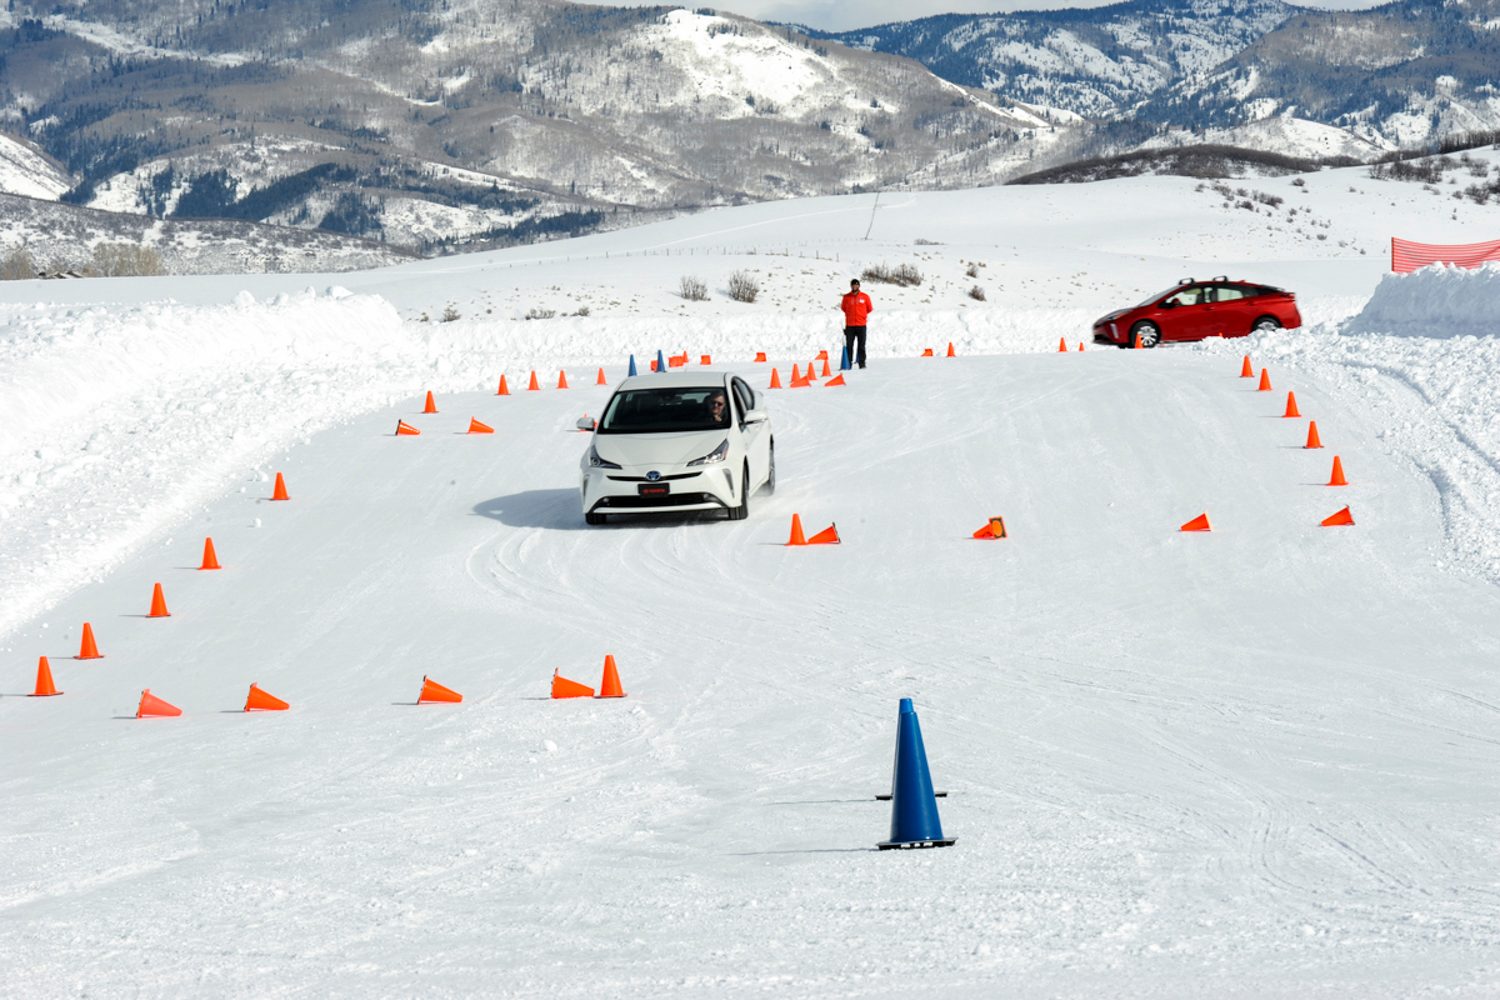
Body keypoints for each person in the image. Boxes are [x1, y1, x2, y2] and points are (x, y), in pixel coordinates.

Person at [839, 278, 873, 369]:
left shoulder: (865, 297)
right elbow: (843, 308)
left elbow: (869, 309)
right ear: (851, 286)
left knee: (861, 345)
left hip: (861, 325)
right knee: (849, 345)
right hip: (850, 326)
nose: (855, 286)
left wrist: (861, 315)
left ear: (859, 286)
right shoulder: (846, 297)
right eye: (853, 285)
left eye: (856, 285)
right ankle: (848, 363)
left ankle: (862, 363)